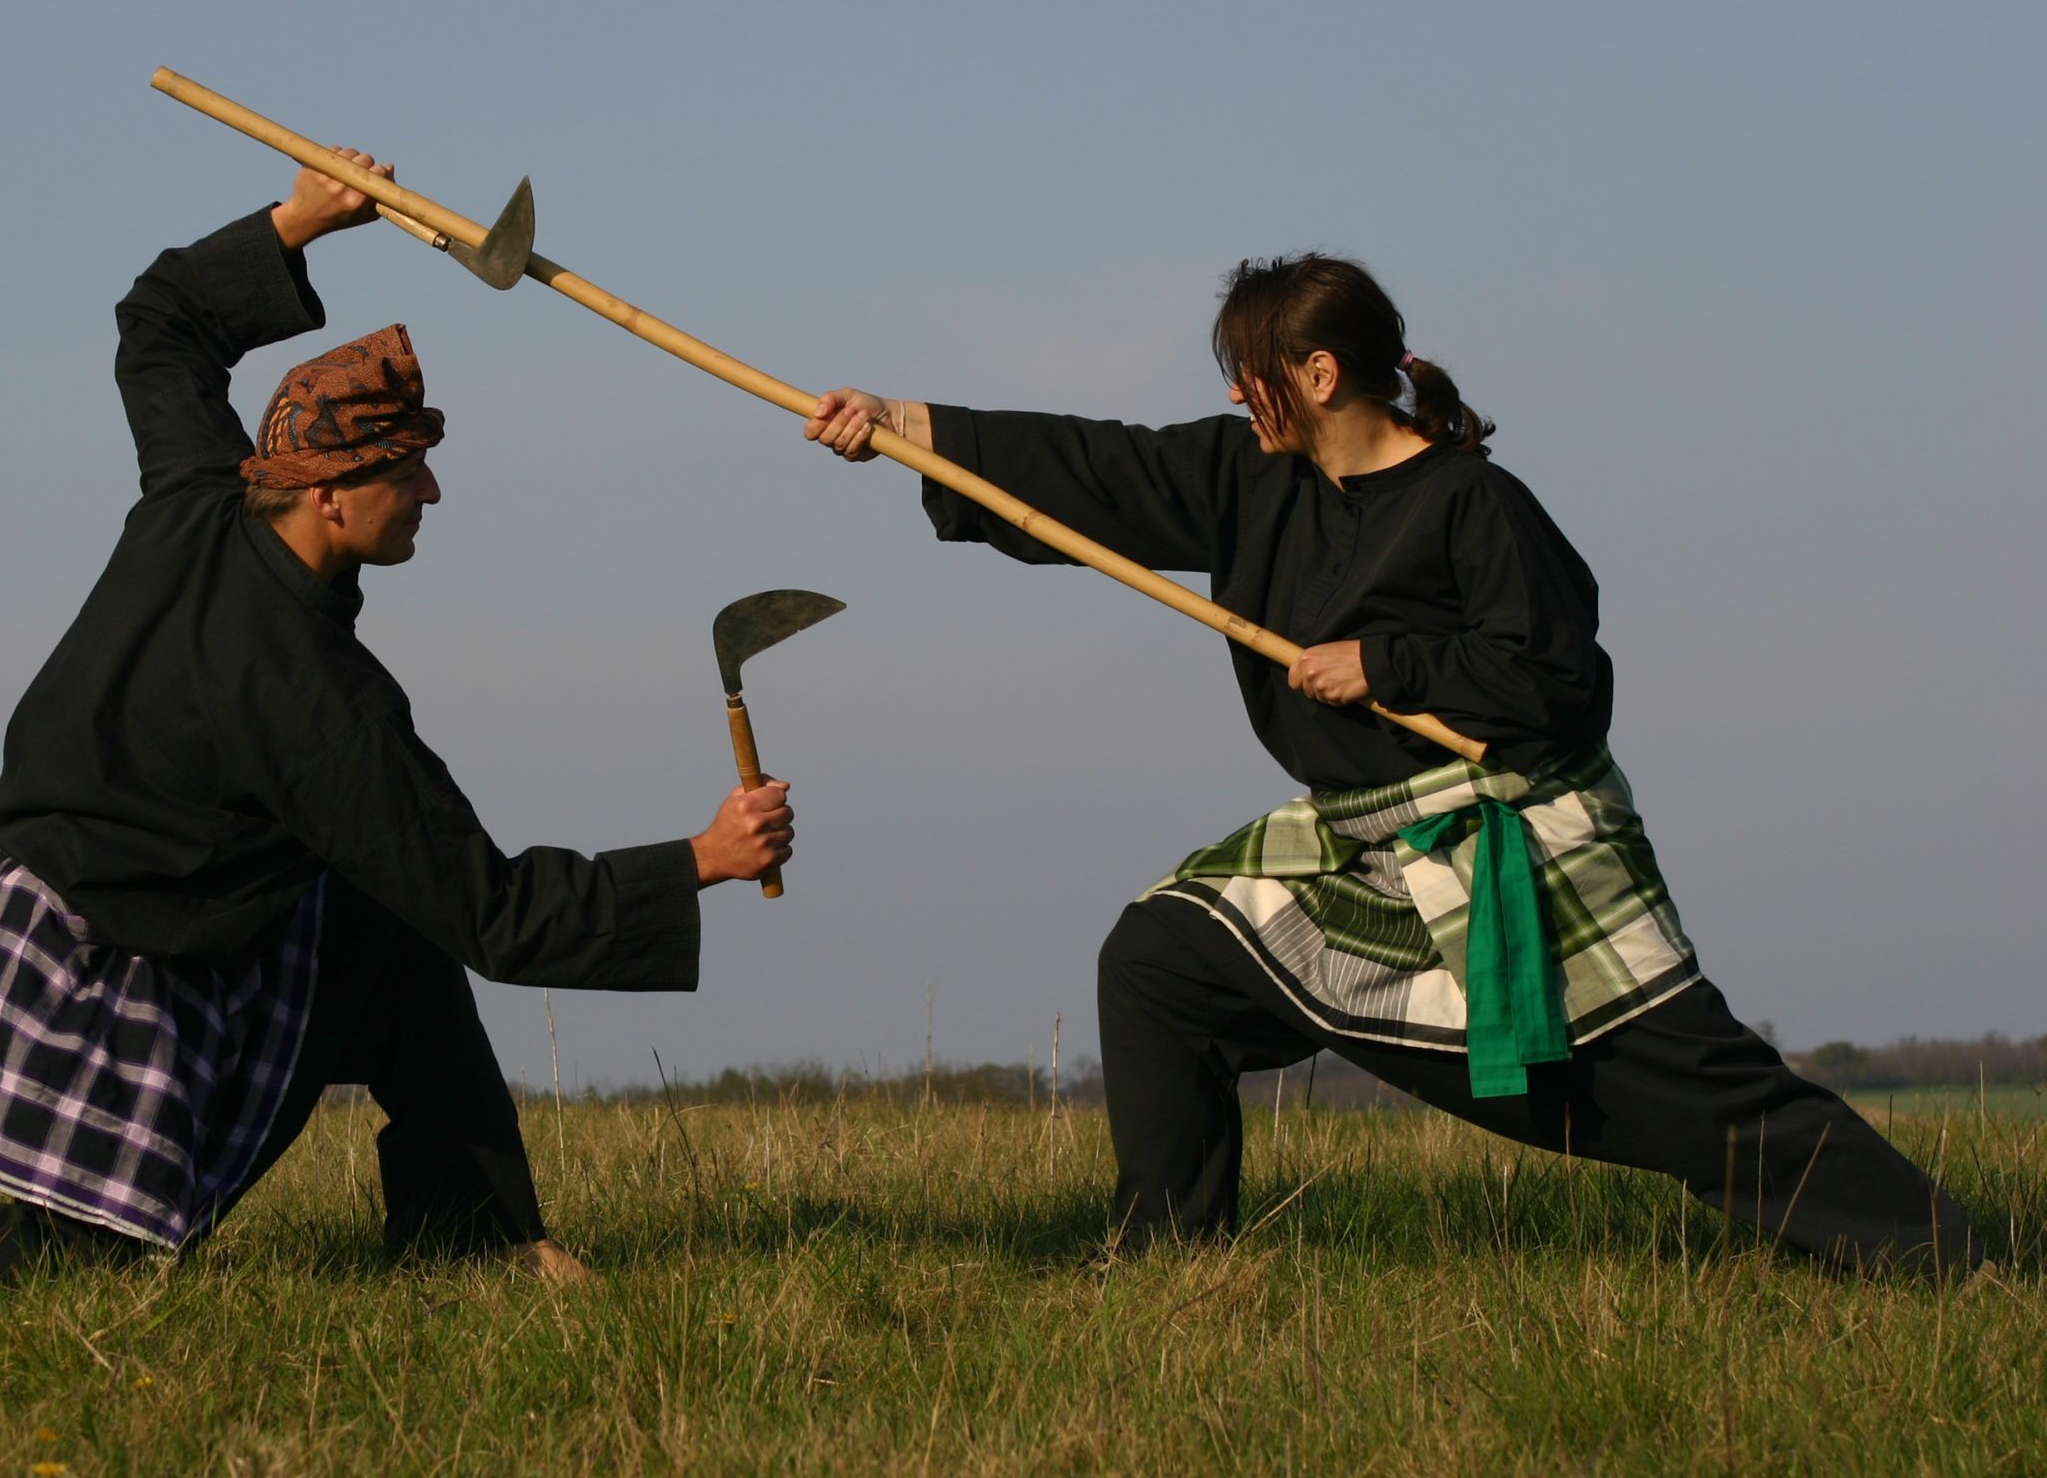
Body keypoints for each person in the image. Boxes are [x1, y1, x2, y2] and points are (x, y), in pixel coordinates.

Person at [0, 149, 795, 1283]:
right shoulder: (311, 701)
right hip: (108, 950)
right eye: (410, 470)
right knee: (73, 1268)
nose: (433, 492)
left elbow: (161, 325)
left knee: (387, 933)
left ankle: (475, 1240)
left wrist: (301, 219)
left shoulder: (200, 494)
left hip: (138, 899)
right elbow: (492, 911)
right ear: (332, 490)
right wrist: (699, 859)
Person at [803, 253, 1978, 1277]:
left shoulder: (1476, 504)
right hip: (1362, 841)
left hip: (1523, 840)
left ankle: (1965, 1264)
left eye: (1250, 368)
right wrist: (903, 424)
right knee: (1162, 961)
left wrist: (1389, 665)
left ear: (1318, 375)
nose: (1230, 392)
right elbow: (1091, 468)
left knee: (1688, 1098)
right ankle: (1169, 1261)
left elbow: (1560, 685)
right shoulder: (1250, 477)